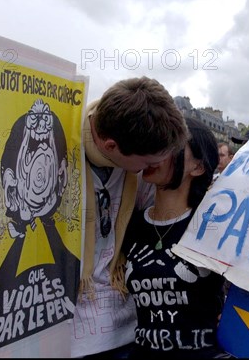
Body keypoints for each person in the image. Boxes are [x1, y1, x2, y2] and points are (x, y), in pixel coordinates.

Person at [70, 76, 188, 357]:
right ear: (111, 146)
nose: (153, 169)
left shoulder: (137, 159)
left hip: (125, 326)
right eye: (147, 163)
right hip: (69, 333)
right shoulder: (56, 152)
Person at [121, 117, 229, 358]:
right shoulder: (130, 225)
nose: (156, 152)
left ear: (198, 167)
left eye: (171, 145)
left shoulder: (213, 226)